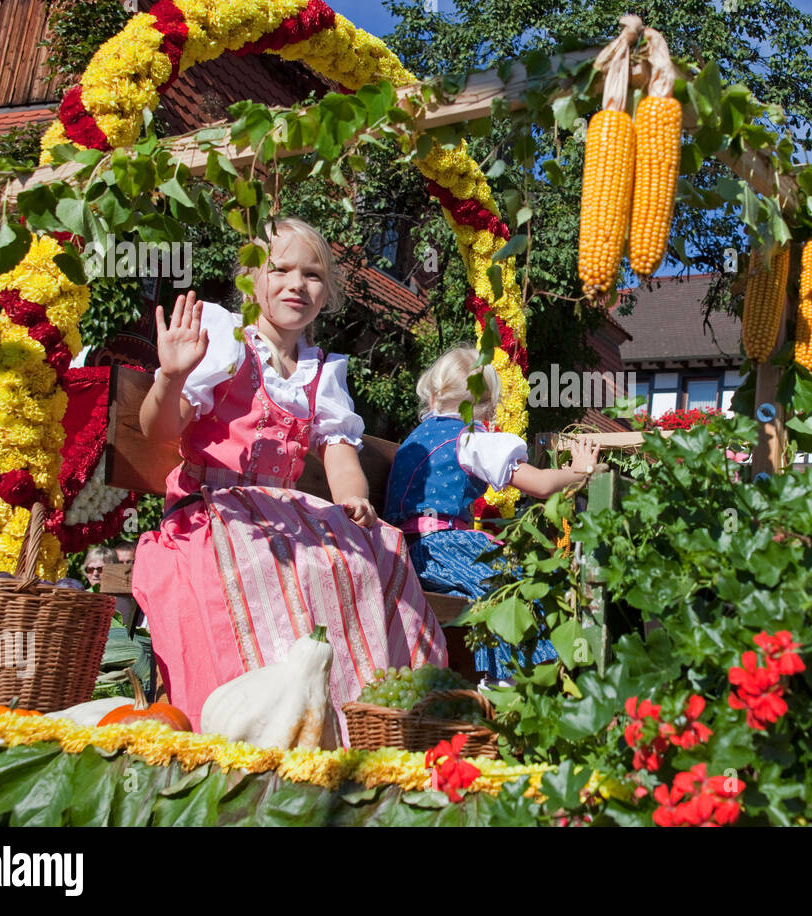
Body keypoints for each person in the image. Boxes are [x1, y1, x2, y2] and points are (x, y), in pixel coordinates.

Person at [132, 218, 446, 733]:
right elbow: (156, 428)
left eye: (313, 275)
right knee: (271, 563)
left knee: (368, 556)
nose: (296, 285)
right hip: (214, 511)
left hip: (279, 516)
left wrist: (353, 498)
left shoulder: (321, 374)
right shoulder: (226, 344)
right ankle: (256, 717)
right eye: (279, 269)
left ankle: (366, 713)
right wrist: (171, 376)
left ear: (327, 295)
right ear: (251, 280)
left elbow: (341, 454)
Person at [384, 345, 601, 681]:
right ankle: (510, 680)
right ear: (485, 407)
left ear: (432, 398)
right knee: (519, 587)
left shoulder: (416, 438)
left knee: (486, 588)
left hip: (403, 552)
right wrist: (580, 471)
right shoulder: (471, 438)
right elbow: (541, 484)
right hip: (442, 549)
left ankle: (488, 676)